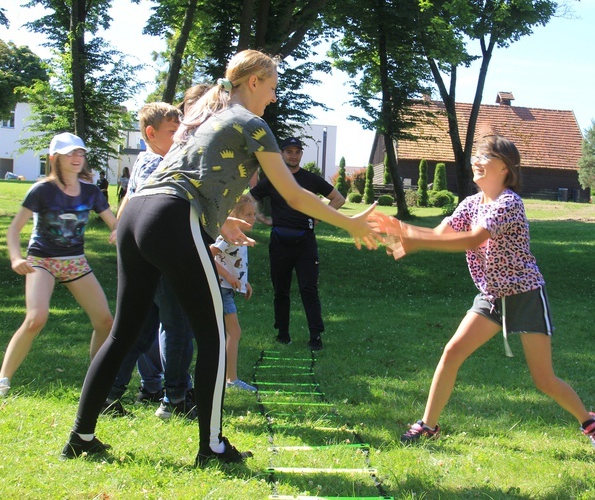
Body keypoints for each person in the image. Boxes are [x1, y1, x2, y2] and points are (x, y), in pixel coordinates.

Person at [60, 49, 380, 466]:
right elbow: (293, 193)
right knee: (212, 335)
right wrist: (349, 222)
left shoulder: (205, 117)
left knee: (122, 334)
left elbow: (196, 175)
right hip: (172, 215)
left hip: (138, 213)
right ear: (253, 83)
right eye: (272, 87)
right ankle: (212, 447)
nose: (274, 97)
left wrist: (222, 221)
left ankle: (80, 437)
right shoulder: (252, 123)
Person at [369, 135, 595, 452]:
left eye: (484, 156)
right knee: (452, 352)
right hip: (490, 296)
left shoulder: (509, 203)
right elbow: (440, 234)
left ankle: (590, 422)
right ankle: (428, 426)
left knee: (543, 379)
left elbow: (473, 239)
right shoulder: (471, 204)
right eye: (476, 155)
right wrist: (398, 232)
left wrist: (413, 238)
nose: (476, 161)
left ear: (504, 166)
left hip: (524, 295)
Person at [0, 133, 117, 398]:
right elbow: (14, 230)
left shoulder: (92, 192)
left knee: (105, 321)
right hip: (42, 262)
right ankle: (2, 380)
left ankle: (94, 382)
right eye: (70, 153)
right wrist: (15, 258)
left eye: (80, 153)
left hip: (75, 263)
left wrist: (119, 232)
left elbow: (115, 225)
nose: (76, 158)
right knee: (36, 318)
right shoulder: (41, 190)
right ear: (54, 159)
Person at [105, 102, 192, 417]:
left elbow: (130, 200)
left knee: (140, 331)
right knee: (178, 326)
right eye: (173, 132)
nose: (180, 137)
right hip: (163, 259)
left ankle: (109, 394)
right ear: (151, 133)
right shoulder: (158, 163)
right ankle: (175, 400)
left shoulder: (144, 161)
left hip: (145, 259)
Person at [250, 137, 345, 350]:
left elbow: (338, 199)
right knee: (280, 290)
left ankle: (315, 337)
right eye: (289, 152)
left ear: (301, 154)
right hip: (279, 241)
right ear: (282, 154)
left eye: (297, 152)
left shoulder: (311, 179)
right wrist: (260, 217)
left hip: (305, 242)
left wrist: (319, 218)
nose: (293, 155)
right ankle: (282, 334)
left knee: (308, 289)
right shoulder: (274, 179)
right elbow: (249, 198)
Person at [211, 194, 257, 392]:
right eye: (248, 214)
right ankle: (232, 379)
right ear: (235, 216)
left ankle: (227, 376)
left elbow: (235, 262)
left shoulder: (239, 235)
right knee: (234, 332)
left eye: (254, 214)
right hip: (221, 289)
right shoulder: (227, 236)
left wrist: (244, 283)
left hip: (228, 289)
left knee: (227, 333)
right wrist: (228, 277)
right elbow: (208, 256)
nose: (252, 218)